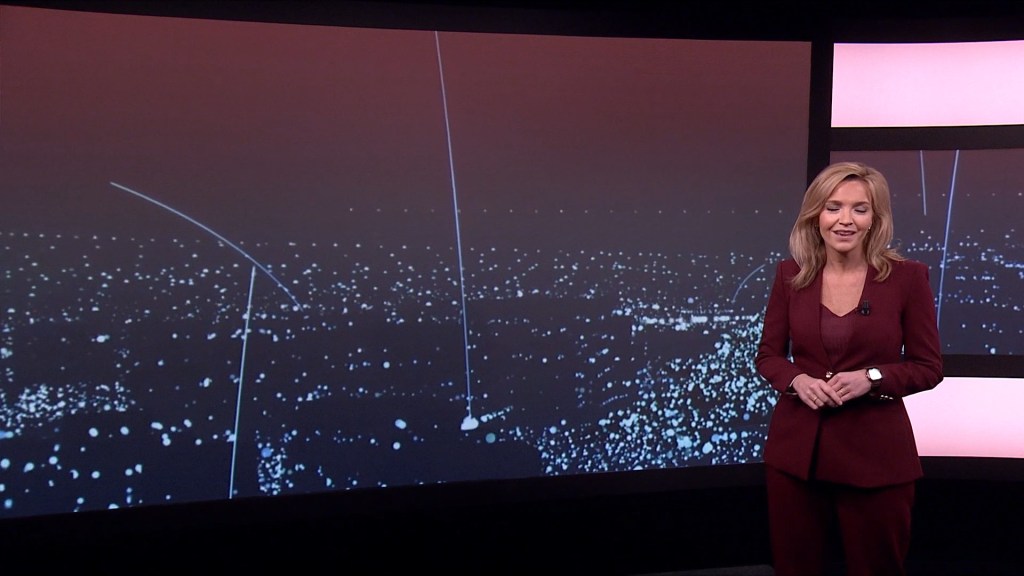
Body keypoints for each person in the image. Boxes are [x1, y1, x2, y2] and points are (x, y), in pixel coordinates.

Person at [755, 161, 943, 576]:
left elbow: (928, 366)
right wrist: (797, 380)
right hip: (797, 455)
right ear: (815, 215)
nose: (845, 220)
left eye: (859, 209)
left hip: (877, 456)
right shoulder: (790, 276)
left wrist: (871, 378)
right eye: (833, 207)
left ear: (875, 218)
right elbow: (768, 356)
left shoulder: (908, 278)